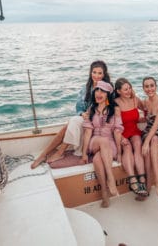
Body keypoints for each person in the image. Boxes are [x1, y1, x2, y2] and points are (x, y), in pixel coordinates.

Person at [31, 60, 111, 169]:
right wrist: (82, 113)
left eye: (99, 73)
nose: (96, 75)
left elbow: (110, 107)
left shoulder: (108, 88)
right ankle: (44, 155)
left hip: (97, 124)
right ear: (90, 73)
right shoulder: (86, 89)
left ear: (104, 74)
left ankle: (56, 153)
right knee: (72, 122)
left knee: (70, 124)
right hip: (86, 119)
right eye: (94, 72)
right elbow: (79, 108)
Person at [82, 80, 123, 208]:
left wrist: (120, 152)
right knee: (102, 141)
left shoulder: (115, 109)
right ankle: (111, 179)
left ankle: (104, 194)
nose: (98, 94)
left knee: (97, 160)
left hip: (110, 144)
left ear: (108, 95)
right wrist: (84, 153)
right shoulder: (91, 109)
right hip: (95, 141)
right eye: (97, 90)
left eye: (102, 91)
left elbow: (117, 131)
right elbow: (88, 132)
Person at [114, 78, 148, 197]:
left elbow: (145, 108)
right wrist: (121, 138)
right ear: (118, 91)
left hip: (133, 130)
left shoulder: (135, 100)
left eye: (129, 88)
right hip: (121, 133)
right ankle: (133, 180)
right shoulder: (115, 103)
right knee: (127, 147)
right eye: (125, 89)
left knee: (138, 144)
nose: (128, 91)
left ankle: (142, 179)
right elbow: (114, 124)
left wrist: (143, 118)